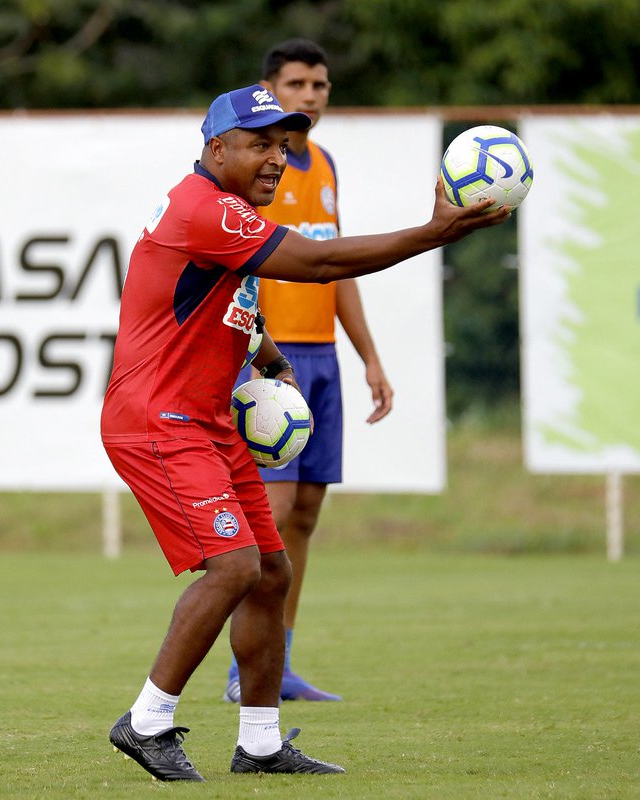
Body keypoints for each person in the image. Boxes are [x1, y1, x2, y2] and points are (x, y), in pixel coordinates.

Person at [101, 84, 508, 782]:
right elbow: (319, 264)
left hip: (205, 417)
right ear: (215, 147)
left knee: (270, 572)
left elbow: (210, 300)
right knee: (233, 567)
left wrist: (268, 357)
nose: (276, 159)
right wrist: (433, 233)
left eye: (284, 146)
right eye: (260, 143)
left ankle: (259, 743)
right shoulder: (209, 210)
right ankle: (146, 721)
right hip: (159, 419)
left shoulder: (220, 214)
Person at [224, 38, 392, 705]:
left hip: (321, 353)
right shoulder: (254, 164)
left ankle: (280, 662)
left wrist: (369, 355)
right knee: (275, 509)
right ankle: (246, 669)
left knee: (309, 510)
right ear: (270, 89)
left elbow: (335, 261)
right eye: (297, 84)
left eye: (320, 85)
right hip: (271, 354)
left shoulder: (322, 162)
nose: (311, 95)